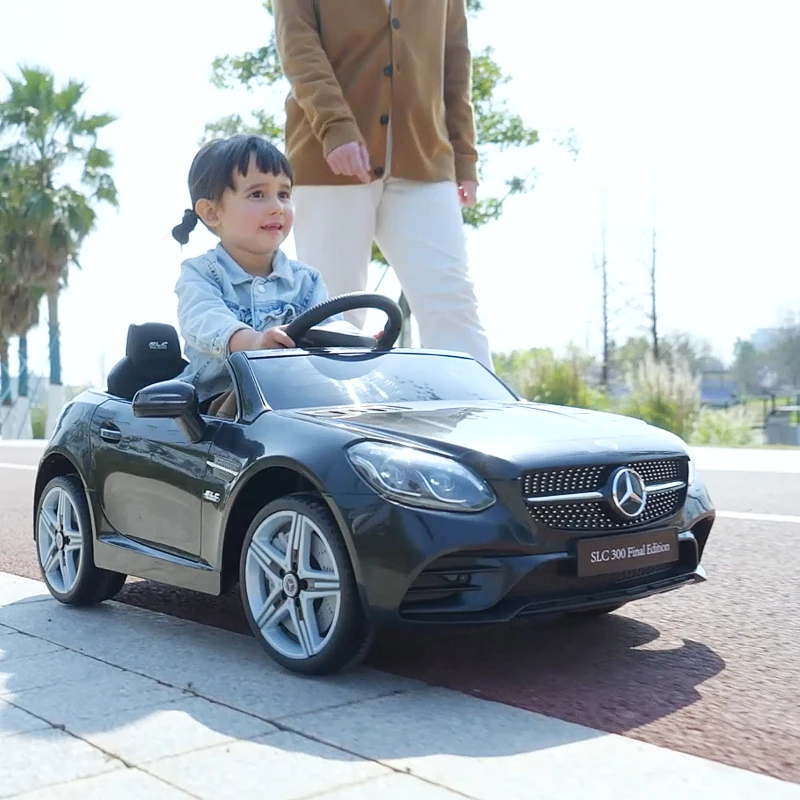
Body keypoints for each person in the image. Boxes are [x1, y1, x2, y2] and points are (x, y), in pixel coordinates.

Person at [272, 0, 494, 371]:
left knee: (453, 300)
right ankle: (334, 419)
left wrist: (464, 155)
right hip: (330, 160)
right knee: (334, 310)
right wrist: (335, 127)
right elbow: (297, 46)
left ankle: (479, 415)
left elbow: (456, 56)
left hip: (425, 156)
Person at [171, 134, 330, 417]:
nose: (277, 207)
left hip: (300, 406)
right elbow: (204, 319)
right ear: (211, 212)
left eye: (284, 194)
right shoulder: (201, 275)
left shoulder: (308, 282)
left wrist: (358, 342)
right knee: (249, 408)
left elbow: (331, 334)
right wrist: (254, 343)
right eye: (257, 194)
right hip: (217, 412)